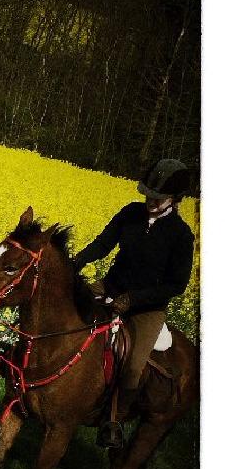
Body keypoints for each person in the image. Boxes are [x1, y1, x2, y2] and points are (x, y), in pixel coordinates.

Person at [72, 158, 194, 447]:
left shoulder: (181, 235)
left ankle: (115, 419)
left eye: (158, 197)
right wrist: (76, 262)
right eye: (148, 194)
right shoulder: (130, 213)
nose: (150, 201)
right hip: (111, 285)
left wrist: (133, 298)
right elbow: (103, 244)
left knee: (134, 365)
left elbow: (176, 285)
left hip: (147, 308)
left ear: (175, 199)